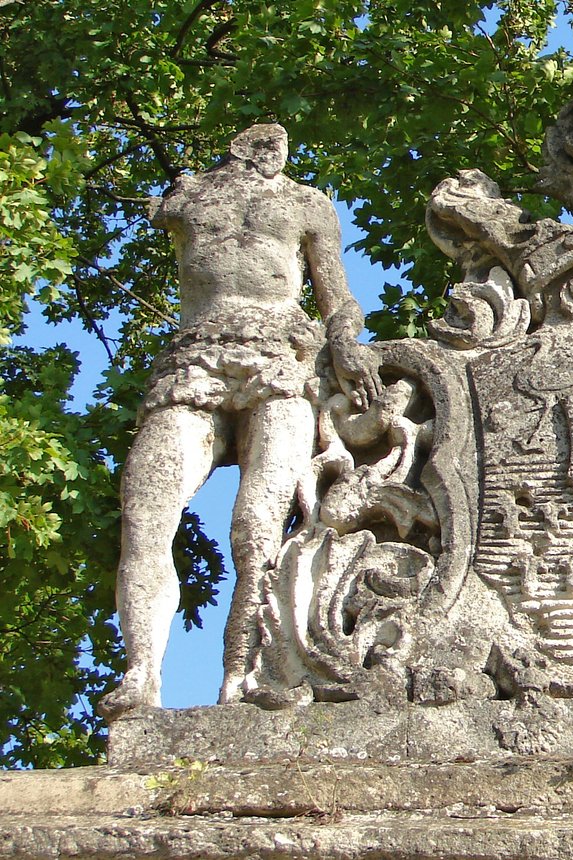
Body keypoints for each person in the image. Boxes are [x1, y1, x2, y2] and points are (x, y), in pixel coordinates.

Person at [99, 123, 380, 717]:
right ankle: (141, 674)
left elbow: (338, 296)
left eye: (281, 142)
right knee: (146, 515)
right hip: (193, 359)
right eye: (264, 142)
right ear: (242, 149)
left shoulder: (307, 204)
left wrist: (346, 339)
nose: (274, 147)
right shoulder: (188, 198)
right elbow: (164, 208)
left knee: (256, 530)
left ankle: (240, 680)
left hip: (280, 359)